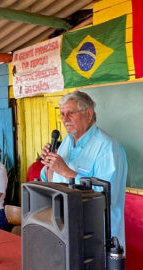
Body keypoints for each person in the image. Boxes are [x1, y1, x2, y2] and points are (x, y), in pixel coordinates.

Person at [40, 91, 127, 248]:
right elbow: (53, 180)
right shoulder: (67, 141)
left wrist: (67, 172)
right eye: (62, 114)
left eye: (70, 113)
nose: (65, 119)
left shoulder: (107, 147)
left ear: (88, 113)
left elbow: (106, 195)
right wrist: (49, 164)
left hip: (97, 235)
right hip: (65, 229)